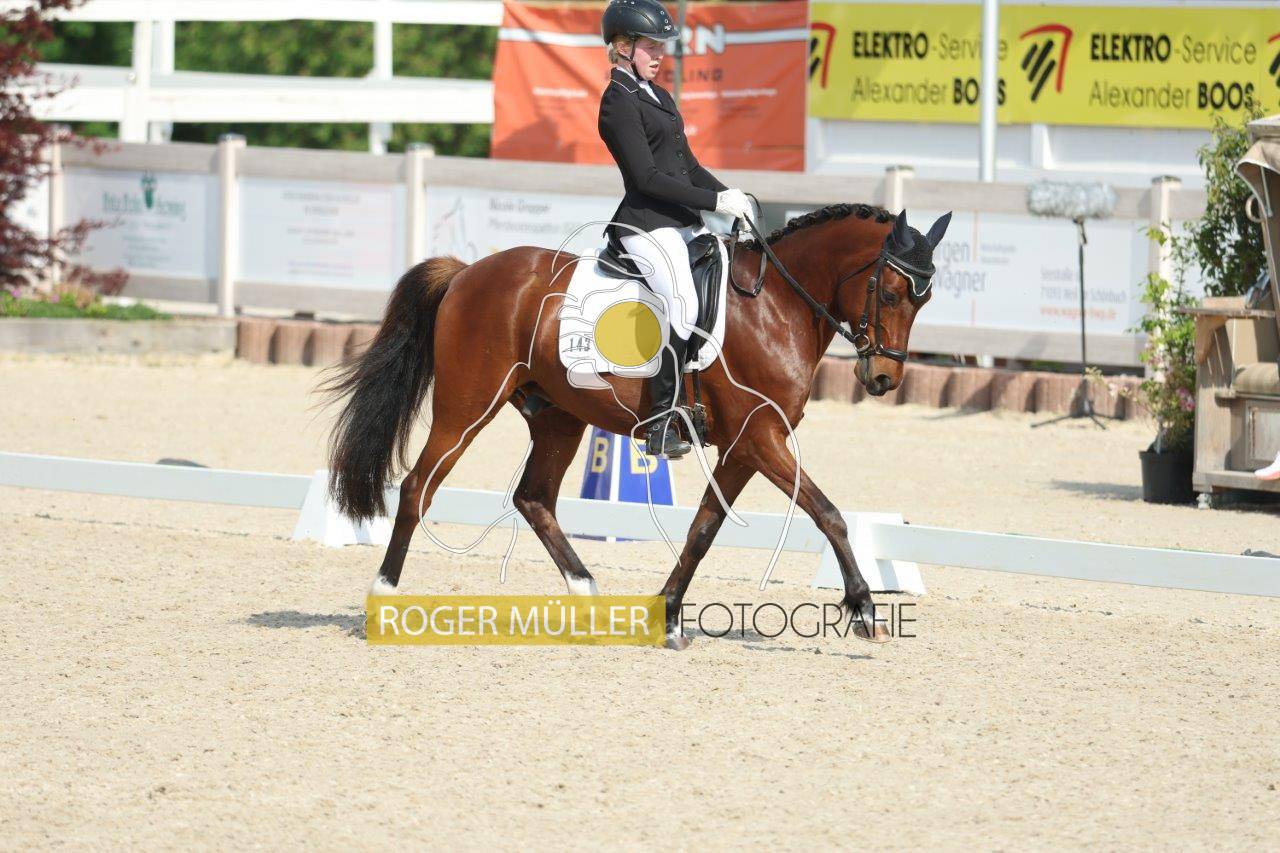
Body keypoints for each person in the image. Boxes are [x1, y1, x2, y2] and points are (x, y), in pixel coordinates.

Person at [597, 0, 755, 460]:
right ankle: (661, 421)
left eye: (660, 47)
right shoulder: (617, 102)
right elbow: (647, 178)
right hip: (646, 225)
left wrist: (730, 197)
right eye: (650, 47)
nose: (659, 55)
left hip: (682, 222)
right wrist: (713, 203)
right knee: (683, 303)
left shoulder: (659, 97)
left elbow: (688, 167)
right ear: (622, 47)